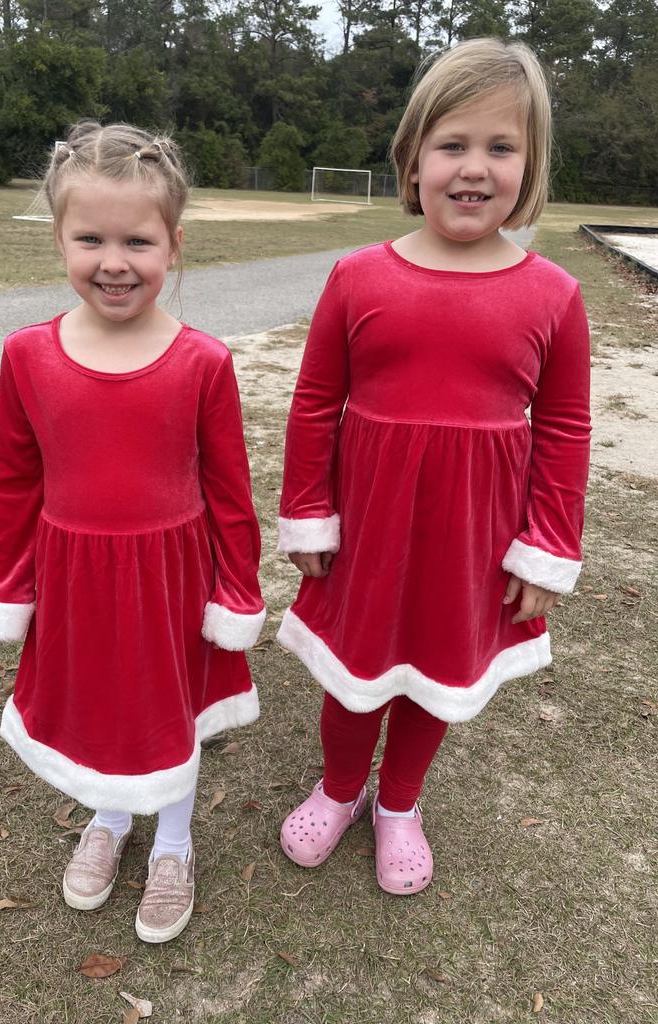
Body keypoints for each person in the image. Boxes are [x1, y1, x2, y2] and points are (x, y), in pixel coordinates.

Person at [276, 38, 590, 895]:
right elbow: (312, 402)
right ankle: (340, 789)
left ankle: (399, 804)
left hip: (473, 536)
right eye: (453, 144)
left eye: (501, 147)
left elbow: (564, 427)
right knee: (356, 668)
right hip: (369, 524)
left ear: (531, 168)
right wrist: (309, 510)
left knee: (434, 674)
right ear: (412, 159)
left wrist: (547, 546)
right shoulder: (356, 275)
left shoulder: (554, 294)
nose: (474, 168)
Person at [0, 121, 265, 942]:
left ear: (173, 245)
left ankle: (172, 842)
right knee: (104, 701)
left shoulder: (202, 361)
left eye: (137, 240)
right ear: (59, 239)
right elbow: (13, 480)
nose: (114, 260)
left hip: (171, 577)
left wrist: (236, 591)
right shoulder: (27, 355)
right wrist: (6, 586)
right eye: (90, 237)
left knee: (164, 709)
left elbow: (230, 491)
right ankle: (109, 818)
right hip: (73, 573)